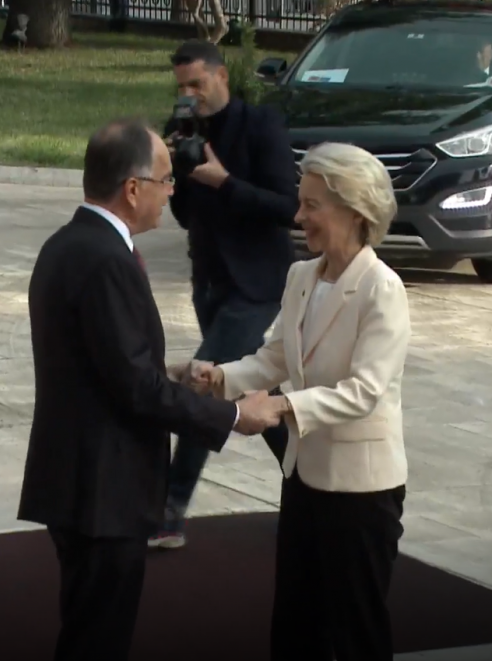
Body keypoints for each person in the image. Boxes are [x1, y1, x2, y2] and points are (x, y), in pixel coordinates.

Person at [16, 119, 284, 661]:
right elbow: (135, 389)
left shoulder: (67, 244)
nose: (172, 191)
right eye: (166, 180)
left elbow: (105, 364)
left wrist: (174, 374)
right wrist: (235, 417)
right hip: (103, 490)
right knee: (98, 640)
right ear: (133, 188)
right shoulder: (105, 260)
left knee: (89, 631)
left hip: (79, 481)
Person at [185, 142, 411, 661]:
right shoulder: (301, 276)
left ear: (355, 213)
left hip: (362, 491)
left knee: (355, 634)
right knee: (294, 626)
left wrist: (282, 408)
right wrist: (219, 377)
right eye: (300, 202)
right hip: (305, 480)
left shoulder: (382, 289)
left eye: (312, 205)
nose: (298, 216)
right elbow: (276, 357)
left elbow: (365, 391)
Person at [150, 39, 300, 549]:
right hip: (209, 282)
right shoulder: (185, 130)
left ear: (221, 77)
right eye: (182, 86)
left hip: (257, 284)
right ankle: (312, 481)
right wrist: (177, 172)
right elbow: (185, 215)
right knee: (240, 386)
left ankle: (170, 510)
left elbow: (287, 207)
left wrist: (224, 181)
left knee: (204, 384)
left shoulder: (261, 125)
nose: (190, 94)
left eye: (197, 83)